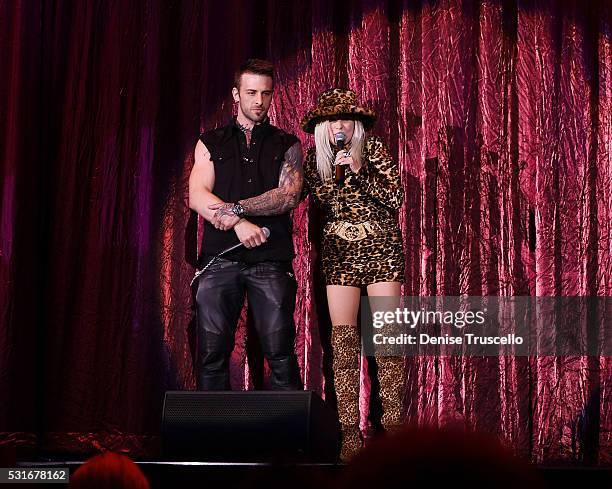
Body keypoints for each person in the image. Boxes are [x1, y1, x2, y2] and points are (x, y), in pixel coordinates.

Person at [300, 88, 406, 460]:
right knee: (343, 344)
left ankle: (393, 429)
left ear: (356, 125)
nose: (339, 125)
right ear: (322, 127)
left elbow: (395, 197)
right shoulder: (314, 161)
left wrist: (359, 170)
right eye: (332, 120)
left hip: (381, 250)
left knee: (388, 342)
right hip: (340, 253)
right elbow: (305, 196)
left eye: (346, 119)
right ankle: (349, 433)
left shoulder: (373, 151)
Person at [188, 59, 303, 391]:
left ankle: (287, 440)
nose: (259, 101)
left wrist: (235, 207)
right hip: (219, 259)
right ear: (236, 94)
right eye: (251, 92)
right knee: (211, 355)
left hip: (270, 261)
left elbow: (288, 196)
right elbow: (197, 196)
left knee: (280, 354)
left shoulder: (287, 144)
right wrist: (238, 223)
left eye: (266, 94)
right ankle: (213, 439)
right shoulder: (211, 142)